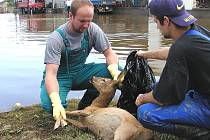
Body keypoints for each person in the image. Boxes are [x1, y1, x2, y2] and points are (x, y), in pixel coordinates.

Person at [135, 0, 210, 138]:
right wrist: (144, 55)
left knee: (145, 113)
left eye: (156, 22)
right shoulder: (195, 31)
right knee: (155, 86)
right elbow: (171, 52)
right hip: (203, 90)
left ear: (166, 20)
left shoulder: (181, 48)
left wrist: (142, 98)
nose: (157, 27)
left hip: (206, 103)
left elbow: (162, 99)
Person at [40, 0, 120, 128]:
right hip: (59, 77)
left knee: (115, 73)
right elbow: (51, 74)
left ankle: (87, 106)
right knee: (49, 105)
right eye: (82, 21)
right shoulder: (56, 39)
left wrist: (115, 70)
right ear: (70, 16)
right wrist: (56, 102)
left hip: (81, 73)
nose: (86, 25)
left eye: (89, 20)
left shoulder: (92, 29)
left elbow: (110, 53)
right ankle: (57, 106)